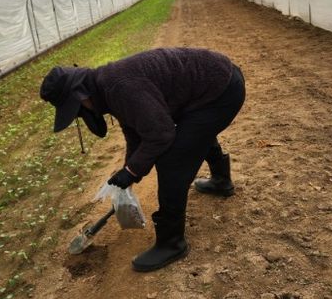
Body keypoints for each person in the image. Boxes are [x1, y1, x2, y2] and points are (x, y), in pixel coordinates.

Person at [40, 47, 245, 271]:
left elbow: (161, 134)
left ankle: (172, 243)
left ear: (81, 95)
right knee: (192, 134)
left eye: (78, 110)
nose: (81, 115)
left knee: (172, 160)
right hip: (213, 86)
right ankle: (221, 181)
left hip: (221, 92)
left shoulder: (120, 87)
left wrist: (132, 171)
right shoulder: (107, 86)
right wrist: (129, 170)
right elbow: (136, 131)